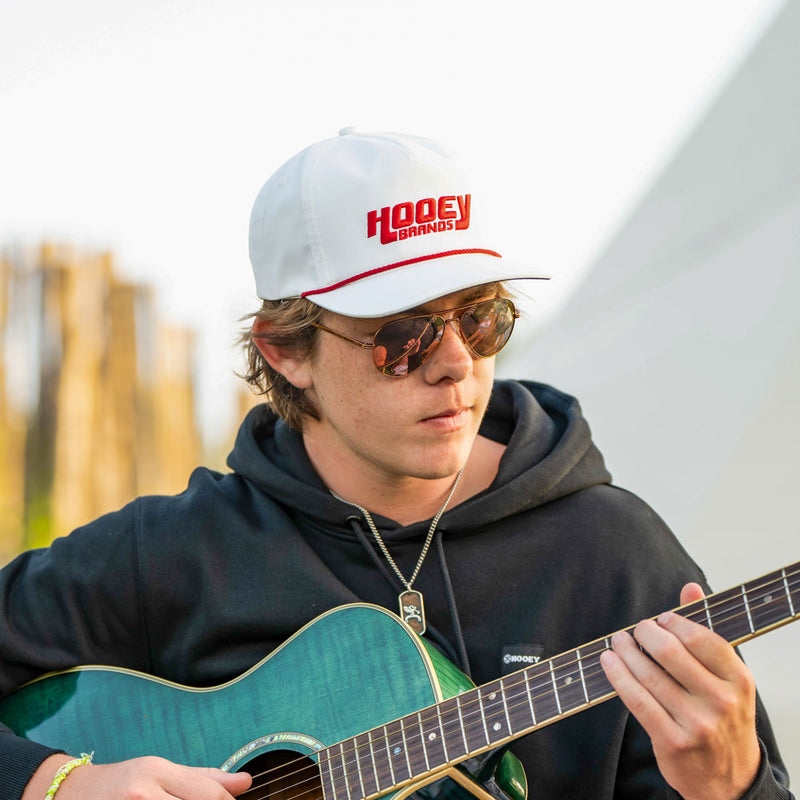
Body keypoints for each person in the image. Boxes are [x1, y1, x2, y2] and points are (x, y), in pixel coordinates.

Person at [0, 128, 792, 800]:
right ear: (288, 350)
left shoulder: (612, 556)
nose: (453, 364)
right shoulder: (178, 551)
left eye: (480, 319)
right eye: (402, 336)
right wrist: (55, 781)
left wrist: (735, 785)